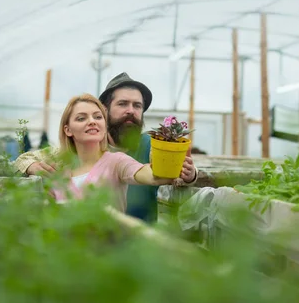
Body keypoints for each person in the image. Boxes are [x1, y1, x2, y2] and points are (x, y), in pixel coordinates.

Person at [13, 72, 198, 223]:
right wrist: (32, 167)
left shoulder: (151, 146)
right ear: (106, 109)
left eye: (137, 106)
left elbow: (162, 174)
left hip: (136, 246)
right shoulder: (66, 154)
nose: (131, 111)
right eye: (123, 104)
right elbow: (22, 160)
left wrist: (190, 174)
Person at [49, 93, 183, 212]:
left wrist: (174, 166)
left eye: (97, 117)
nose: (92, 122)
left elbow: (150, 175)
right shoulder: (58, 171)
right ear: (67, 130)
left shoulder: (116, 162)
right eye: (81, 118)